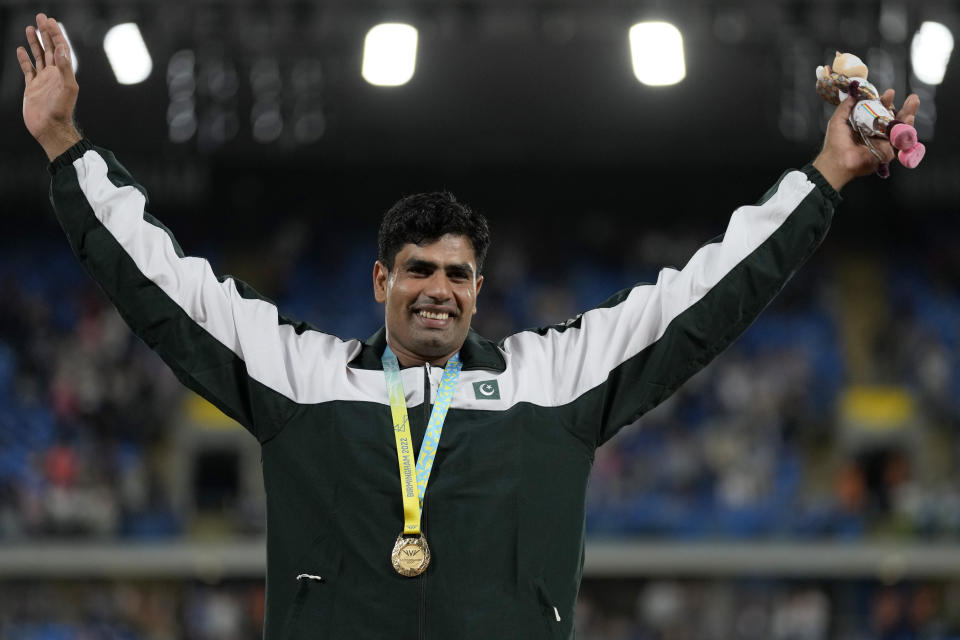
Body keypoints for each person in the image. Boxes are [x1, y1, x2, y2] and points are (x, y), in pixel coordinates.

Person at [17, 12, 920, 640]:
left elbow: (704, 296)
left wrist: (823, 179)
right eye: (417, 270)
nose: (437, 289)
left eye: (456, 273)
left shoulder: (554, 378)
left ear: (480, 290)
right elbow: (165, 287)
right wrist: (66, 146)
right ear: (381, 281)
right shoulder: (303, 377)